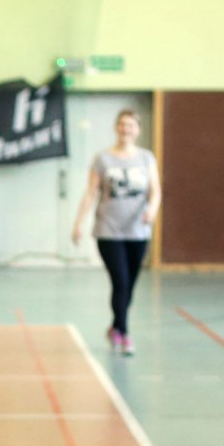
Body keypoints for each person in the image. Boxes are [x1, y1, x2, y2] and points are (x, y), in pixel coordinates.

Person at [71, 109, 160, 357]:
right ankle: (124, 333)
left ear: (137, 130)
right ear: (116, 127)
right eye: (122, 124)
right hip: (109, 230)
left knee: (129, 285)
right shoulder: (102, 159)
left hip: (138, 231)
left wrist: (152, 210)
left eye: (130, 125)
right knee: (120, 281)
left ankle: (115, 327)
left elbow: (155, 190)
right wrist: (78, 223)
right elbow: (91, 192)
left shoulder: (146, 158)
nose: (125, 129)